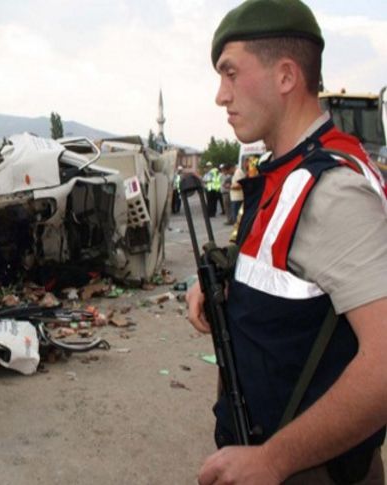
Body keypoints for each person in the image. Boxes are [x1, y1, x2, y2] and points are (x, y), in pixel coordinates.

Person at [187, 1, 387, 483]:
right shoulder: (285, 172)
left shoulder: (333, 190)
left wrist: (274, 459)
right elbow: (290, 275)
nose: (220, 95)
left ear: (285, 76)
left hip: (306, 469)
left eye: (231, 73)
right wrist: (222, 288)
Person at [228, 161, 245, 225]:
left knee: (237, 217)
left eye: (229, 171)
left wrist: (230, 186)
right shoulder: (235, 173)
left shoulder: (238, 172)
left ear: (231, 168)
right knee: (236, 217)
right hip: (235, 198)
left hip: (238, 199)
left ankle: (238, 230)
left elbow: (240, 185)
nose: (229, 173)